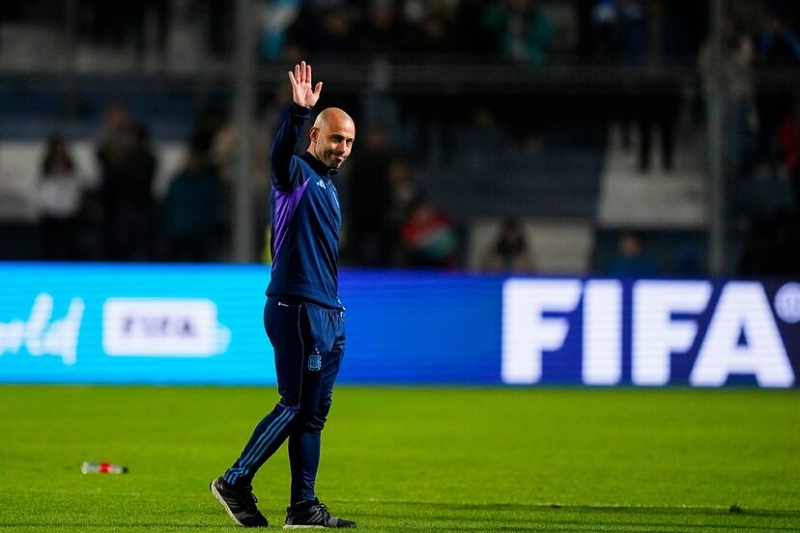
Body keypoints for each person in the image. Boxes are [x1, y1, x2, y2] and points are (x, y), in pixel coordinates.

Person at [210, 61, 356, 529]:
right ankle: (234, 481)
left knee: (312, 416)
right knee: (294, 405)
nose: (342, 149)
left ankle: (302, 508)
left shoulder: (329, 188)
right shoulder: (293, 175)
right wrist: (296, 113)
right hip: (296, 310)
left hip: (327, 312)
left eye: (349, 142)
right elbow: (277, 157)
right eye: (336, 138)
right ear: (314, 136)